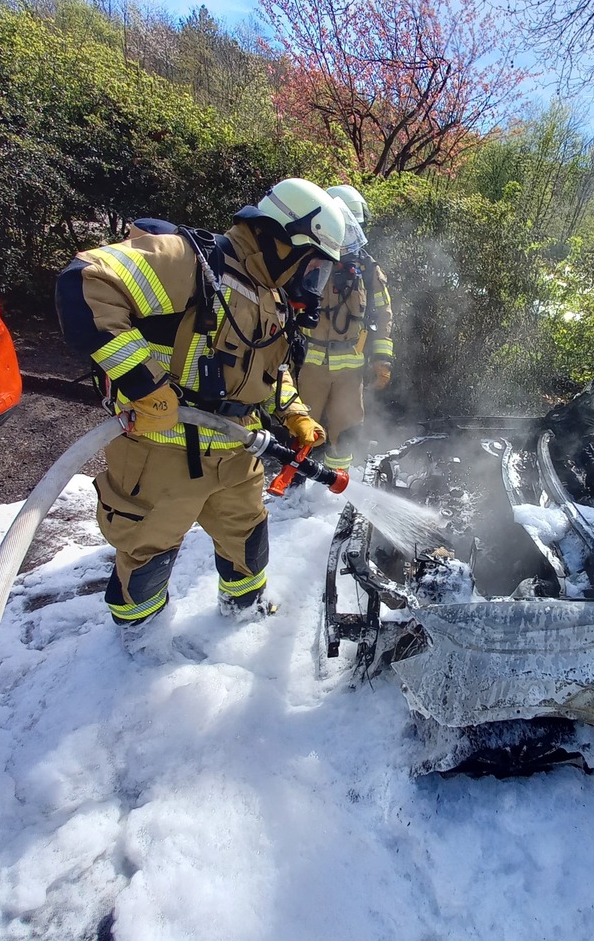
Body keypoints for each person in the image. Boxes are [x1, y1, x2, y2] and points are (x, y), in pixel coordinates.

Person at [55, 178, 345, 626]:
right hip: (160, 452)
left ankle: (241, 617)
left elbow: (272, 370)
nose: (312, 283)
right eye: (312, 267)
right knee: (147, 556)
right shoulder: (190, 262)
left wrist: (295, 412)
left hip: (235, 453)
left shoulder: (272, 299)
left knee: (248, 543)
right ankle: (138, 647)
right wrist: (145, 385)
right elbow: (86, 283)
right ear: (283, 240)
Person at [294, 185, 393, 473]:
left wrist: (382, 359)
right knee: (302, 429)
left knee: (346, 432)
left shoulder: (369, 269)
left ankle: (336, 487)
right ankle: (296, 486)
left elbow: (384, 314)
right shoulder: (308, 261)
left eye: (355, 229)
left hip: (350, 367)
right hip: (310, 362)